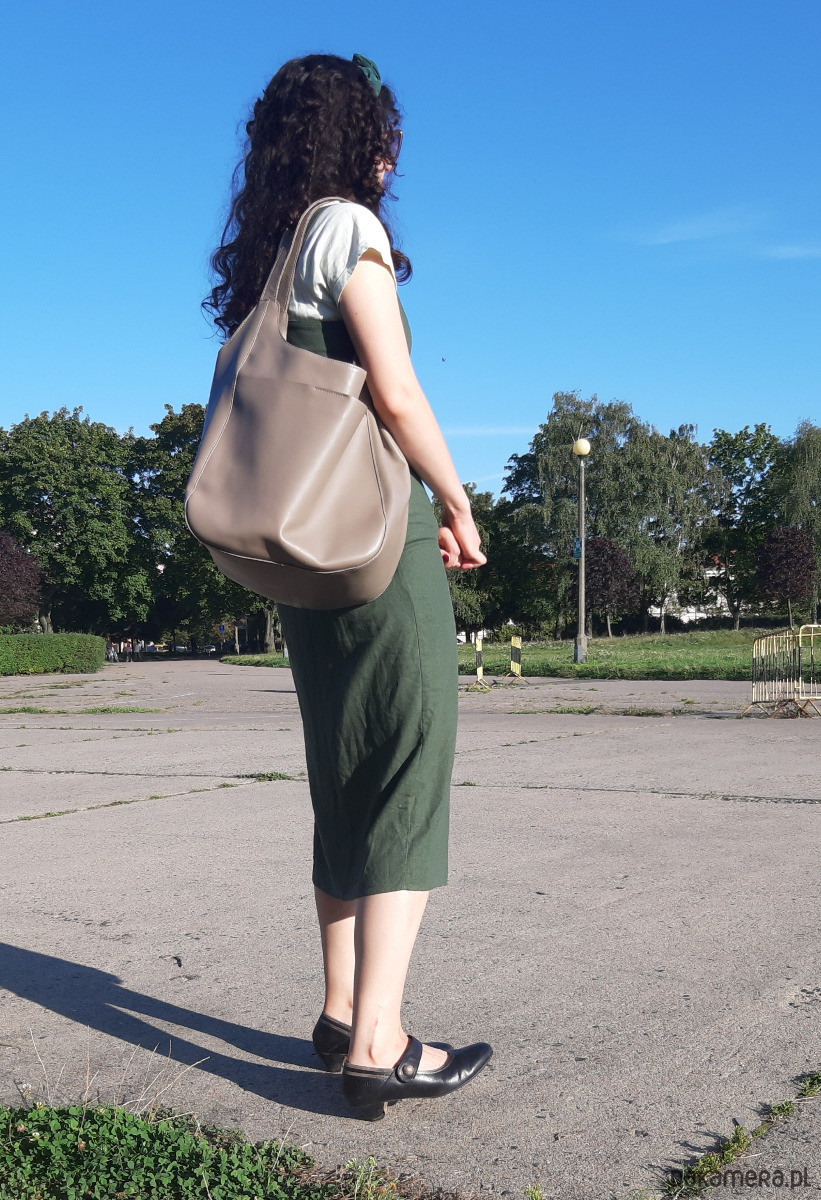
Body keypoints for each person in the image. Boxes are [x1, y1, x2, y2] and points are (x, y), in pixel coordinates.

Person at [204, 53, 491, 1121]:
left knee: (342, 775)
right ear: (361, 138)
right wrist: (455, 501)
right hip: (372, 546)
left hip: (299, 560)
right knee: (406, 771)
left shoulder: (273, 255)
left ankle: (337, 1013)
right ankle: (380, 1045)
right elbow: (397, 391)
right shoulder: (347, 228)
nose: (392, 156)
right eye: (385, 135)